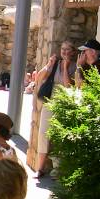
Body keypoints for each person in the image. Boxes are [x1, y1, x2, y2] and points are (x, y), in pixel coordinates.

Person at [34, 40, 77, 178]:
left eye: (68, 49)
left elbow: (67, 86)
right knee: (43, 133)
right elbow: (39, 77)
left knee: (60, 135)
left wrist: (65, 67)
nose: (64, 52)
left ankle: (57, 169)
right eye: (62, 49)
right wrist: (49, 65)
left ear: (73, 52)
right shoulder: (55, 64)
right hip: (50, 101)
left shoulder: (75, 67)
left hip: (64, 103)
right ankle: (39, 168)